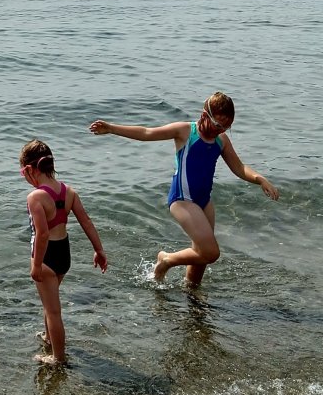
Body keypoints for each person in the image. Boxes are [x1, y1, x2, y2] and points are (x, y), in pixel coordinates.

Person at [89, 92, 279, 285]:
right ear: (205, 115)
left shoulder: (221, 140)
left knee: (200, 258)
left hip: (204, 201)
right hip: (182, 200)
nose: (221, 130)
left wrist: (260, 179)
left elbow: (239, 167)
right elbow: (147, 133)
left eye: (226, 127)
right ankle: (166, 260)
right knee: (211, 252)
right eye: (218, 125)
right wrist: (111, 128)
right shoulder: (185, 132)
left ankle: (191, 293)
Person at [19, 140, 108, 366]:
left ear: (30, 169)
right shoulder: (68, 192)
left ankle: (57, 358)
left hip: (46, 257)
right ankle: (49, 337)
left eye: (22, 172)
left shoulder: (35, 197)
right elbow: (86, 222)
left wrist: (36, 265)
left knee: (53, 311)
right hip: (63, 254)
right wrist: (99, 250)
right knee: (49, 303)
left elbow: (42, 235)